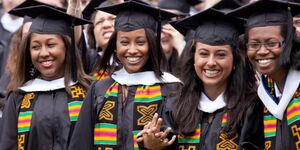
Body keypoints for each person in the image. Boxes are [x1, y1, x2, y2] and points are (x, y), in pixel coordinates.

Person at [138, 8, 264, 150]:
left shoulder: (251, 107)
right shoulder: (174, 106)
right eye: (203, 54)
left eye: (221, 55)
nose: (211, 62)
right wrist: (151, 146)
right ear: (193, 58)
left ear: (235, 61)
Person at [68, 1, 181, 149]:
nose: (132, 50)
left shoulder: (171, 89)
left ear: (152, 44)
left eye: (140, 42)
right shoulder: (99, 89)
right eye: (124, 42)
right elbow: (81, 143)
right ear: (114, 46)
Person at [0, 5, 92, 150]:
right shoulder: (18, 98)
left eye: (51, 44)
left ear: (66, 47)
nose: (43, 53)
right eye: (35, 47)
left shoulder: (88, 93)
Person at [229, 0, 300, 149]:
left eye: (271, 43)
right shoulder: (261, 97)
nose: (261, 51)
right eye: (254, 45)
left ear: (289, 42)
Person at [82, 0, 115, 78]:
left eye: (113, 19)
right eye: (99, 22)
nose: (106, 25)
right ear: (93, 33)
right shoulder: (89, 63)